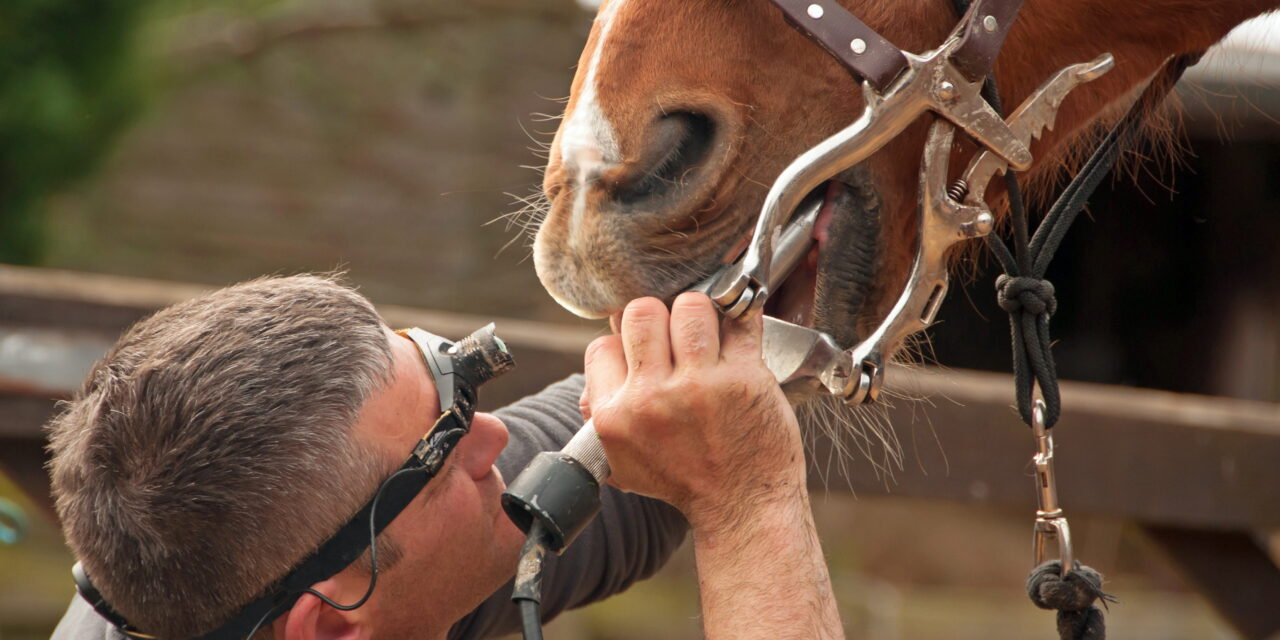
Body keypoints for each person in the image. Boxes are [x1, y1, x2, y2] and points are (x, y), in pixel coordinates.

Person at [46, 274, 841, 639]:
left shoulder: (277, 573)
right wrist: (752, 505)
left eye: (454, 393)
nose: (495, 437)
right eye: (441, 453)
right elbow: (725, 479)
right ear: (327, 628)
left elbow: (650, 454)